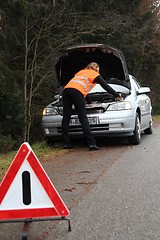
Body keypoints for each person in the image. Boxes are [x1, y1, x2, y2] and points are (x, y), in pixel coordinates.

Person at [61, 62, 123, 151]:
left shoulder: (81, 72)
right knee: (83, 117)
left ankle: (66, 143)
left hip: (66, 91)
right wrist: (116, 95)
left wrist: (89, 102)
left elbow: (81, 87)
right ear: (96, 68)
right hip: (77, 93)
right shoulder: (95, 74)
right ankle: (91, 144)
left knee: (66, 116)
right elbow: (106, 87)